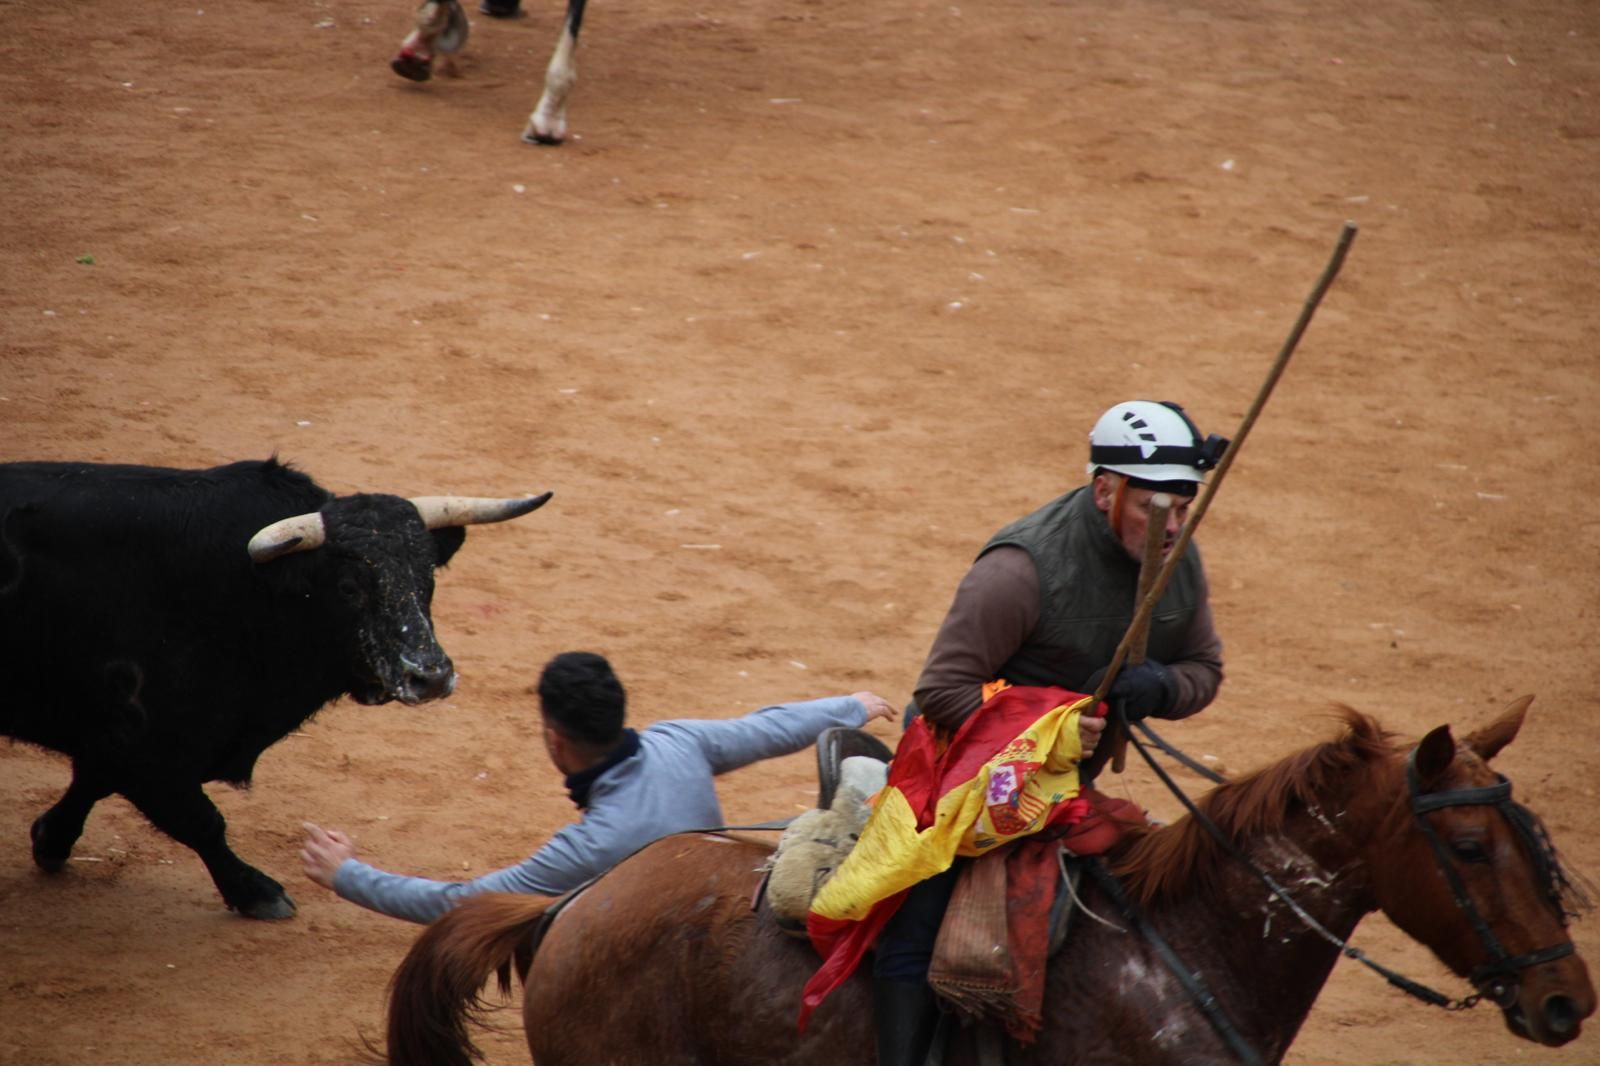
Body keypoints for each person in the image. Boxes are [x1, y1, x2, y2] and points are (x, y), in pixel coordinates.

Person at [877, 399, 1229, 1066]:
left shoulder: (1179, 560)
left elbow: (1204, 669)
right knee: (917, 924)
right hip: (963, 780)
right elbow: (941, 693)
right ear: (1105, 490)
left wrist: (1158, 686)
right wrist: (1055, 723)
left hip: (1066, 790)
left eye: (1185, 508)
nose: (1174, 527)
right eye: (1157, 508)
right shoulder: (1019, 571)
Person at [301, 650, 897, 925]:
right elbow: (764, 730)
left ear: (556, 742)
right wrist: (849, 706)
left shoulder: (593, 845)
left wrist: (347, 875)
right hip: (737, 902)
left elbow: (464, 904)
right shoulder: (679, 742)